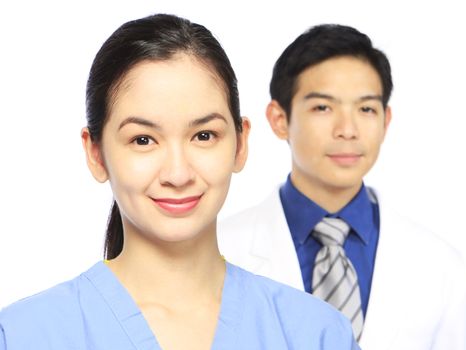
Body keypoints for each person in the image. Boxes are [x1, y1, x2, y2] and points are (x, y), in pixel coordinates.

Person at [0, 14, 360, 350]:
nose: (178, 174)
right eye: (143, 140)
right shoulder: (24, 335)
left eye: (204, 136)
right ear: (96, 154)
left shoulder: (316, 334)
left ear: (240, 143)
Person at [218, 24, 466, 349]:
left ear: (385, 121)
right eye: (323, 107)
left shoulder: (442, 268)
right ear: (279, 119)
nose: (347, 130)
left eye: (366, 109)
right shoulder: (220, 252)